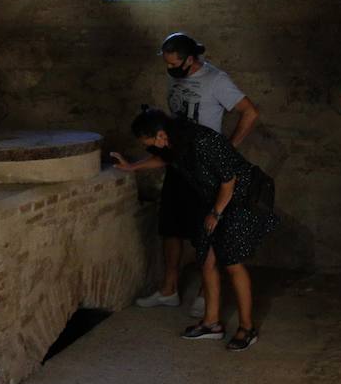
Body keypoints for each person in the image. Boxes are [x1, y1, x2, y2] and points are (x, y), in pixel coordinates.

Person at [112, 108, 276, 351]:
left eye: (149, 143)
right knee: (207, 260)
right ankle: (211, 324)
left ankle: (247, 328)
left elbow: (229, 179)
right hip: (213, 199)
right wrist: (131, 167)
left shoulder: (201, 140)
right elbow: (165, 159)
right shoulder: (173, 143)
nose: (151, 148)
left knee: (232, 262)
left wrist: (216, 213)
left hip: (240, 199)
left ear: (160, 136)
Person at [122, 33, 259, 318]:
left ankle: (205, 295)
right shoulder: (175, 77)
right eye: (166, 64)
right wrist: (134, 166)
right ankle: (169, 289)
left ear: (190, 58)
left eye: (174, 63)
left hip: (205, 169)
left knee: (205, 232)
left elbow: (250, 112)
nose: (170, 69)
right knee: (171, 226)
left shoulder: (216, 80)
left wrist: (225, 150)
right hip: (178, 162)